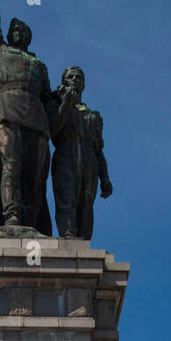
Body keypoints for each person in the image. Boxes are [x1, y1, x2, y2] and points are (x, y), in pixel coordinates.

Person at [0, 0, 52, 233]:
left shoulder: (39, 66)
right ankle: (11, 218)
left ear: (29, 36)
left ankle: (30, 224)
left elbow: (50, 100)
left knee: (34, 178)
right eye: (13, 28)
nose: (16, 30)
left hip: (37, 119)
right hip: (7, 112)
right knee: (11, 166)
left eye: (22, 28)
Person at [50, 66, 112, 240]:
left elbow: (99, 150)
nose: (75, 79)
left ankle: (84, 240)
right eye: (71, 77)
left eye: (79, 77)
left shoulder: (94, 116)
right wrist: (65, 102)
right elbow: (53, 129)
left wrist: (105, 178)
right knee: (66, 198)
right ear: (64, 82)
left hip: (89, 160)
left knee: (87, 202)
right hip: (65, 155)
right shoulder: (56, 105)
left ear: (84, 85)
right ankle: (68, 234)